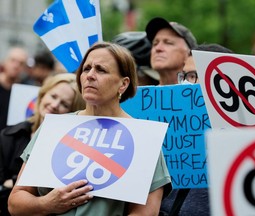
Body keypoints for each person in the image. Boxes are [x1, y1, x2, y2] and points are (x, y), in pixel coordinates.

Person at [8, 42, 171, 216]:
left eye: (101, 70)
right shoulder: (53, 128)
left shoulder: (144, 139)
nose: (90, 75)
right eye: (86, 69)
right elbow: (16, 202)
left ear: (123, 84)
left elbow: (146, 213)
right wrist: (47, 203)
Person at [160, 43, 233, 216]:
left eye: (193, 76)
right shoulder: (171, 137)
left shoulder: (237, 146)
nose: (185, 83)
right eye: (183, 76)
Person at [0, 73, 85, 215]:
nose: (54, 105)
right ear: (43, 94)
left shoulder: (72, 149)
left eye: (64, 104)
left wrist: (12, 183)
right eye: (53, 96)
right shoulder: (9, 135)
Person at [145, 17, 197, 85]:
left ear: (188, 54)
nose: (158, 48)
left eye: (168, 43)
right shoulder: (143, 94)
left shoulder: (202, 93)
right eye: (155, 43)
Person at [0, 46, 28, 131]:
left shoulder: (24, 92)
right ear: (5, 61)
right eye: (13, 60)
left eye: (21, 63)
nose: (16, 66)